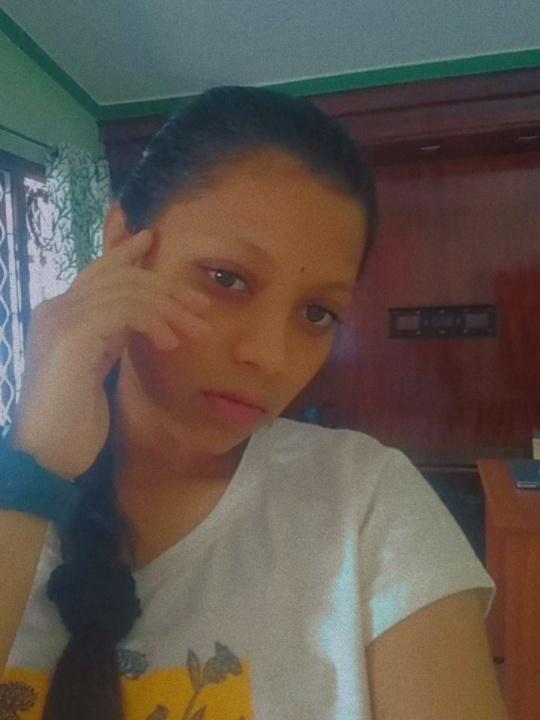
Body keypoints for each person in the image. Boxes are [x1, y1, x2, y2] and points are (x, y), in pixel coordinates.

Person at [0, 86, 506, 719]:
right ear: (122, 240)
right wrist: (36, 467)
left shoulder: (366, 506)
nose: (271, 356)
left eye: (317, 313)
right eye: (227, 278)